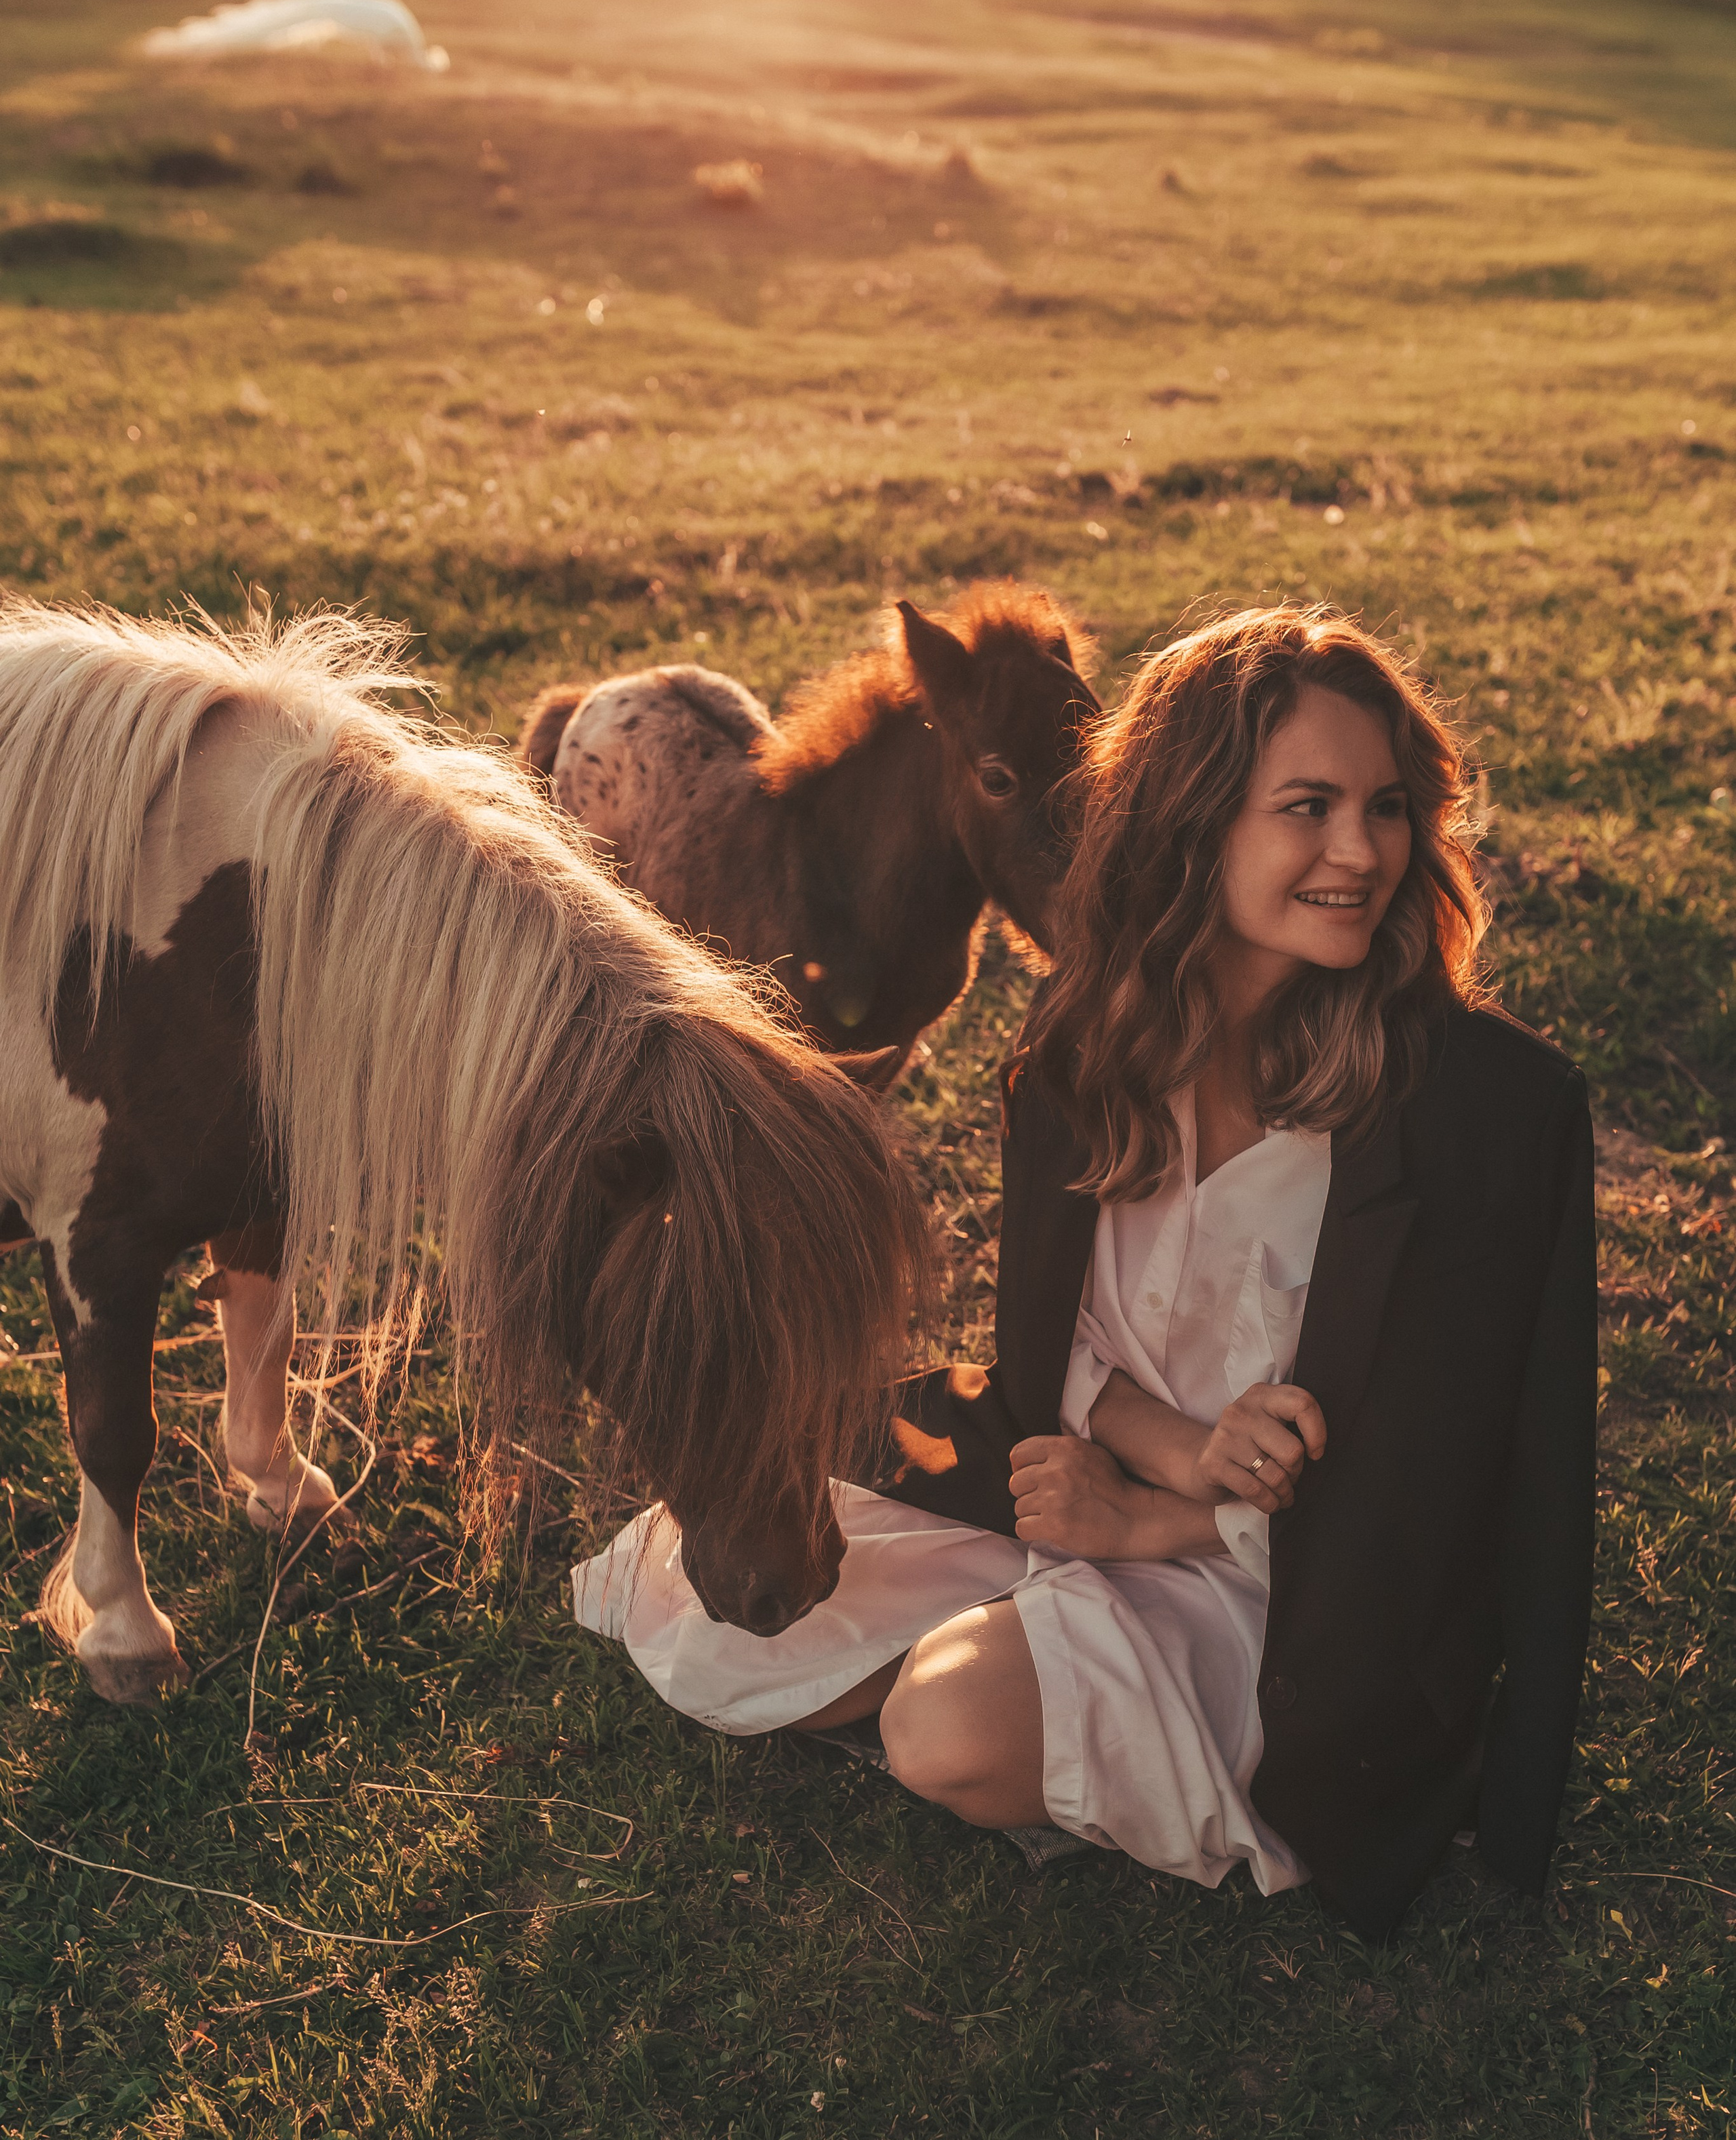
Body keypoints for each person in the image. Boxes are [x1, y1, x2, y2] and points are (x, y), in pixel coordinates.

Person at [574, 606, 1596, 1938]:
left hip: (1303, 1591)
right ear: (1191, 820)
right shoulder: (1078, 1063)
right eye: (1307, 807)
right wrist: (1154, 1453)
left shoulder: (1482, 1107)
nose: (1362, 852)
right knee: (700, 1601)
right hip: (1090, 1493)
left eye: (1385, 806)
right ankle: (1044, 1652)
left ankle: (1061, 1686)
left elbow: (1453, 1475)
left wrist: (1165, 1526)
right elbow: (1069, 1354)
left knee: (939, 1728)